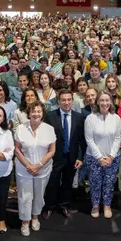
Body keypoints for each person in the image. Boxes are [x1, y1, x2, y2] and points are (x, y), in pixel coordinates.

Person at [14, 101, 56, 236]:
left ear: (42, 113)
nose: (36, 114)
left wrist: (38, 165)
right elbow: (17, 149)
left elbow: (51, 150)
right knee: (25, 196)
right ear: (28, 113)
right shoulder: (20, 128)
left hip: (42, 169)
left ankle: (35, 217)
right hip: (24, 169)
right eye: (33, 111)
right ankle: (25, 222)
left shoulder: (49, 129)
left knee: (39, 195)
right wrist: (28, 165)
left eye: (38, 111)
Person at [43, 89, 86, 219]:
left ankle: (64, 205)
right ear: (59, 101)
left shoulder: (79, 118)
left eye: (69, 100)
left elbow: (81, 140)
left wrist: (80, 157)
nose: (66, 103)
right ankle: (49, 206)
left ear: (72, 101)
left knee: (67, 183)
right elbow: (45, 139)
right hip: (55, 157)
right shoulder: (50, 116)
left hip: (72, 157)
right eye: (63, 100)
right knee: (52, 182)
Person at [84, 92, 121, 219]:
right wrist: (99, 157)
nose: (105, 103)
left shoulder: (116, 118)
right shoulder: (90, 118)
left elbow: (117, 138)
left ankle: (107, 205)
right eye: (102, 100)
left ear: (111, 101)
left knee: (109, 183)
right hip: (94, 158)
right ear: (97, 102)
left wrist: (110, 156)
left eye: (107, 100)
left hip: (112, 158)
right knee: (95, 182)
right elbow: (89, 140)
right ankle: (95, 205)